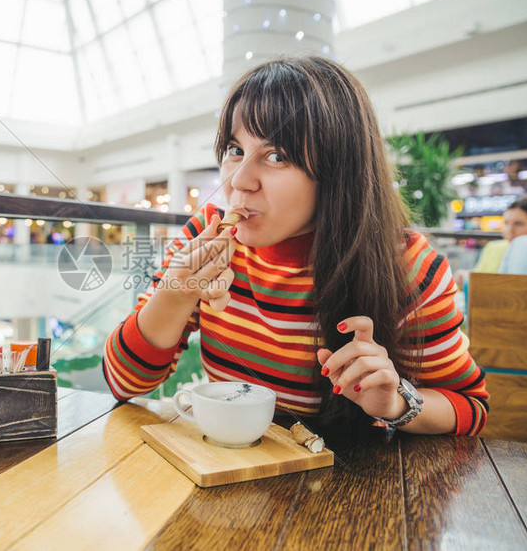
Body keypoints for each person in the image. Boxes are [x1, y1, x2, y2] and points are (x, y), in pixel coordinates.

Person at [103, 57, 489, 436]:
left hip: (344, 483)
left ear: (338, 170)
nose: (240, 181)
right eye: (235, 149)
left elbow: (470, 406)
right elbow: (123, 383)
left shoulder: (408, 267)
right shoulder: (206, 234)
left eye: (275, 156)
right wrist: (177, 292)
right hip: (227, 467)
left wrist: (395, 403)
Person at [453, 196, 527, 290]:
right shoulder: (494, 248)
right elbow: (479, 279)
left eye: (519, 224)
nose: (510, 230)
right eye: (506, 223)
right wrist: (465, 278)